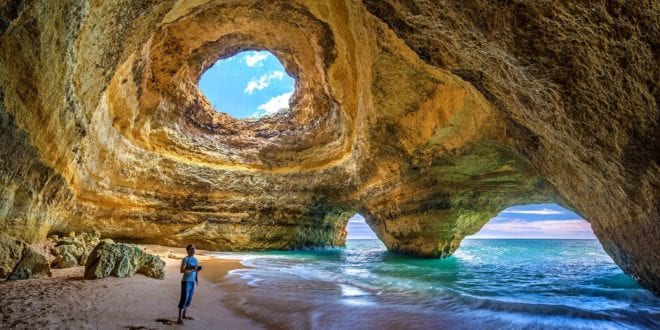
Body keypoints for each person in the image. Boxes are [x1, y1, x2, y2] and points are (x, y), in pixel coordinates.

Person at [177, 244, 203, 324]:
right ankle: (179, 318)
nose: (193, 250)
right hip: (186, 281)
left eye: (194, 249)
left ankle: (184, 315)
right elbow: (182, 270)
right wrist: (192, 268)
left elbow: (195, 271)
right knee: (184, 298)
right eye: (191, 249)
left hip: (192, 281)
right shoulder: (185, 259)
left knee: (189, 299)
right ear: (187, 250)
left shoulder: (195, 259)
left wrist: (197, 274)